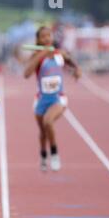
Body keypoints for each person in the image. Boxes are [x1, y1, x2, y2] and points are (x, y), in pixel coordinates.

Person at [24, 26, 81, 172]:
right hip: (41, 99)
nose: (47, 39)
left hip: (58, 98)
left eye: (49, 36)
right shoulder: (36, 57)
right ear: (38, 40)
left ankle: (54, 153)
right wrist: (41, 54)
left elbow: (70, 61)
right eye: (43, 37)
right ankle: (43, 154)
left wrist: (77, 69)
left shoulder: (59, 54)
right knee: (43, 132)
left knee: (48, 121)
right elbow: (26, 74)